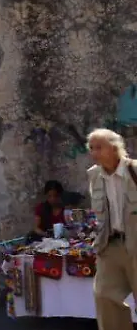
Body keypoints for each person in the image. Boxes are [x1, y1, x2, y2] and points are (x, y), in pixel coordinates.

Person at [88, 128, 137, 330]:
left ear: (115, 148)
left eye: (99, 147)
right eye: (91, 148)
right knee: (104, 296)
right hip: (111, 243)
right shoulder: (93, 175)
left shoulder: (134, 170)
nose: (94, 152)